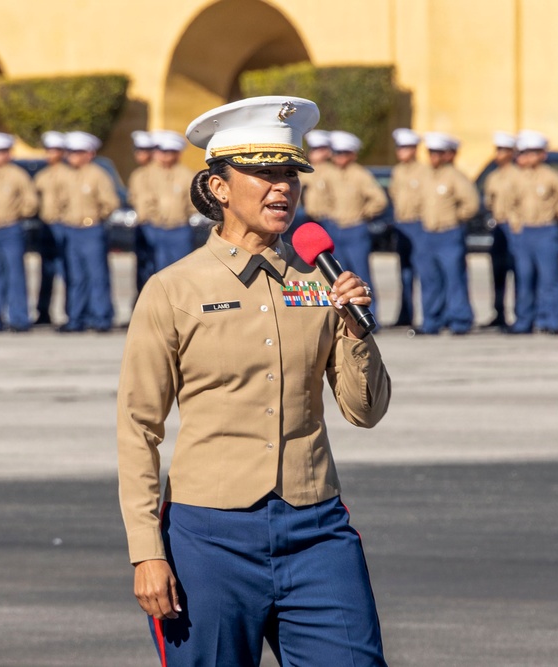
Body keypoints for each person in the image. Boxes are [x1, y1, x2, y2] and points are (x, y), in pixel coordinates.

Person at [118, 96, 391, 666]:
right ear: (218, 187)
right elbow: (138, 427)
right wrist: (147, 550)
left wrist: (355, 331)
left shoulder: (319, 280)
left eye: (290, 174)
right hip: (209, 536)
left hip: (315, 527)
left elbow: (364, 412)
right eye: (264, 173)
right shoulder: (173, 289)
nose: (281, 189)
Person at [503, 130, 558, 334]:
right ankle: (524, 320)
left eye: (531, 153)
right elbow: (507, 204)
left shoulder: (551, 177)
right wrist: (515, 222)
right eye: (523, 153)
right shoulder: (515, 178)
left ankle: (554, 320)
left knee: (549, 279)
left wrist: (556, 215)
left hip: (546, 231)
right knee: (524, 278)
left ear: (542, 154)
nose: (526, 157)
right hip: (524, 232)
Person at [417, 131, 480, 335]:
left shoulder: (454, 176)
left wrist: (455, 217)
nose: (433, 157)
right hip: (427, 234)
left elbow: (472, 203)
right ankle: (431, 321)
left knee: (454, 279)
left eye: (438, 153)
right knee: (430, 279)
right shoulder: (425, 175)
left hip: (448, 233)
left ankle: (460, 320)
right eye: (431, 152)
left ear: (445, 155)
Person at [57, 131, 119, 333]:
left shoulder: (97, 175)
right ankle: (75, 318)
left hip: (91, 228)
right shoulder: (65, 175)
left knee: (96, 275)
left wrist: (96, 217)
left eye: (77, 152)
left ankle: (101, 317)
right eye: (70, 152)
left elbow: (110, 202)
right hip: (71, 229)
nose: (72, 156)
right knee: (75, 276)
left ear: (89, 153)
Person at [0, 131, 38, 332]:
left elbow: (31, 202)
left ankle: (19, 318)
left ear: (8, 153)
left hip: (11, 227)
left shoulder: (17, 174)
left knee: (15, 275)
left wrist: (17, 214)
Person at [323, 130, 388, 316]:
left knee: (361, 276)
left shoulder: (360, 175)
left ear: (352, 154)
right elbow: (320, 197)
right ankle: (345, 315)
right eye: (336, 153)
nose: (338, 157)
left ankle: (369, 314)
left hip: (355, 228)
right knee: (337, 276)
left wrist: (364, 213)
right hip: (335, 228)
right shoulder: (330, 174)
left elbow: (379, 200)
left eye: (343, 153)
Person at [387, 127, 427, 327]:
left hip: (419, 224)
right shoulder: (398, 171)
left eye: (405, 147)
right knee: (404, 273)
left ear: (414, 149)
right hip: (402, 224)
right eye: (399, 147)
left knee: (424, 271)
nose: (400, 151)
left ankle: (430, 317)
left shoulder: (424, 172)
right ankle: (406, 314)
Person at [141, 130, 197, 270]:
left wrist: (183, 215)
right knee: (159, 271)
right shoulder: (147, 174)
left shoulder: (186, 175)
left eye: (167, 152)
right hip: (156, 228)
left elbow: (193, 202)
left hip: (180, 229)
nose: (162, 156)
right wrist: (154, 217)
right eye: (159, 151)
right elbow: (144, 200)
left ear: (176, 153)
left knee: (182, 270)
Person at [33, 131, 69, 325]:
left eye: (54, 150)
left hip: (64, 225)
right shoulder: (42, 176)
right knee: (46, 272)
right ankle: (43, 311)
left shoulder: (70, 175)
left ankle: (72, 312)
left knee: (68, 271)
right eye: (48, 149)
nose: (50, 153)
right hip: (46, 225)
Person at [482, 131, 517, 328]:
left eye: (503, 150)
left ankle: (522, 314)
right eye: (498, 149)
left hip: (515, 227)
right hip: (499, 228)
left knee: (520, 272)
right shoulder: (493, 177)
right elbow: (488, 202)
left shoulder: (518, 175)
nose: (499, 153)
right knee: (497, 273)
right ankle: (499, 312)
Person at [128, 129, 157, 291]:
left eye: (143, 150)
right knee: (142, 269)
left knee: (157, 269)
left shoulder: (159, 173)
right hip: (142, 225)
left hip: (157, 226)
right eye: (137, 150)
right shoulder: (137, 175)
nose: (139, 154)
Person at [298, 129, 333, 225]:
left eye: (317, 149)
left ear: (327, 151)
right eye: (312, 149)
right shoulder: (304, 170)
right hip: (306, 216)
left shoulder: (332, 171)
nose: (312, 152)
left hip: (328, 219)